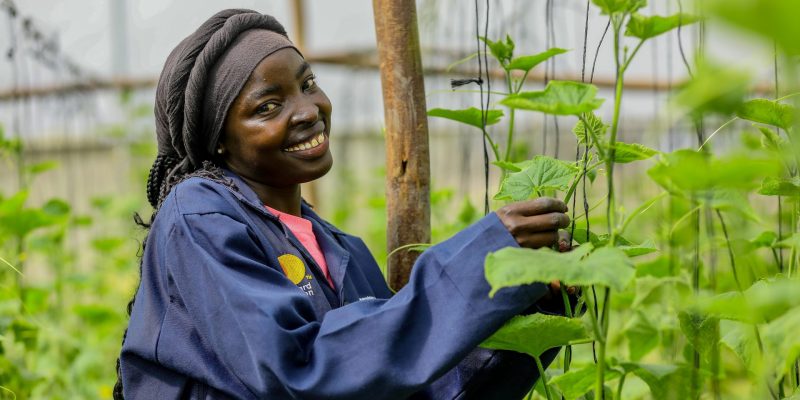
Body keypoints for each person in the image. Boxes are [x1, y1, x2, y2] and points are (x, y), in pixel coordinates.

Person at [114, 9, 573, 400]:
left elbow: (406, 389)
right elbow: (297, 371)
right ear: (219, 141)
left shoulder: (341, 250)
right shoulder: (198, 216)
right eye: (268, 107)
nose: (308, 109)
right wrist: (478, 261)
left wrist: (528, 302)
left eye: (307, 83)